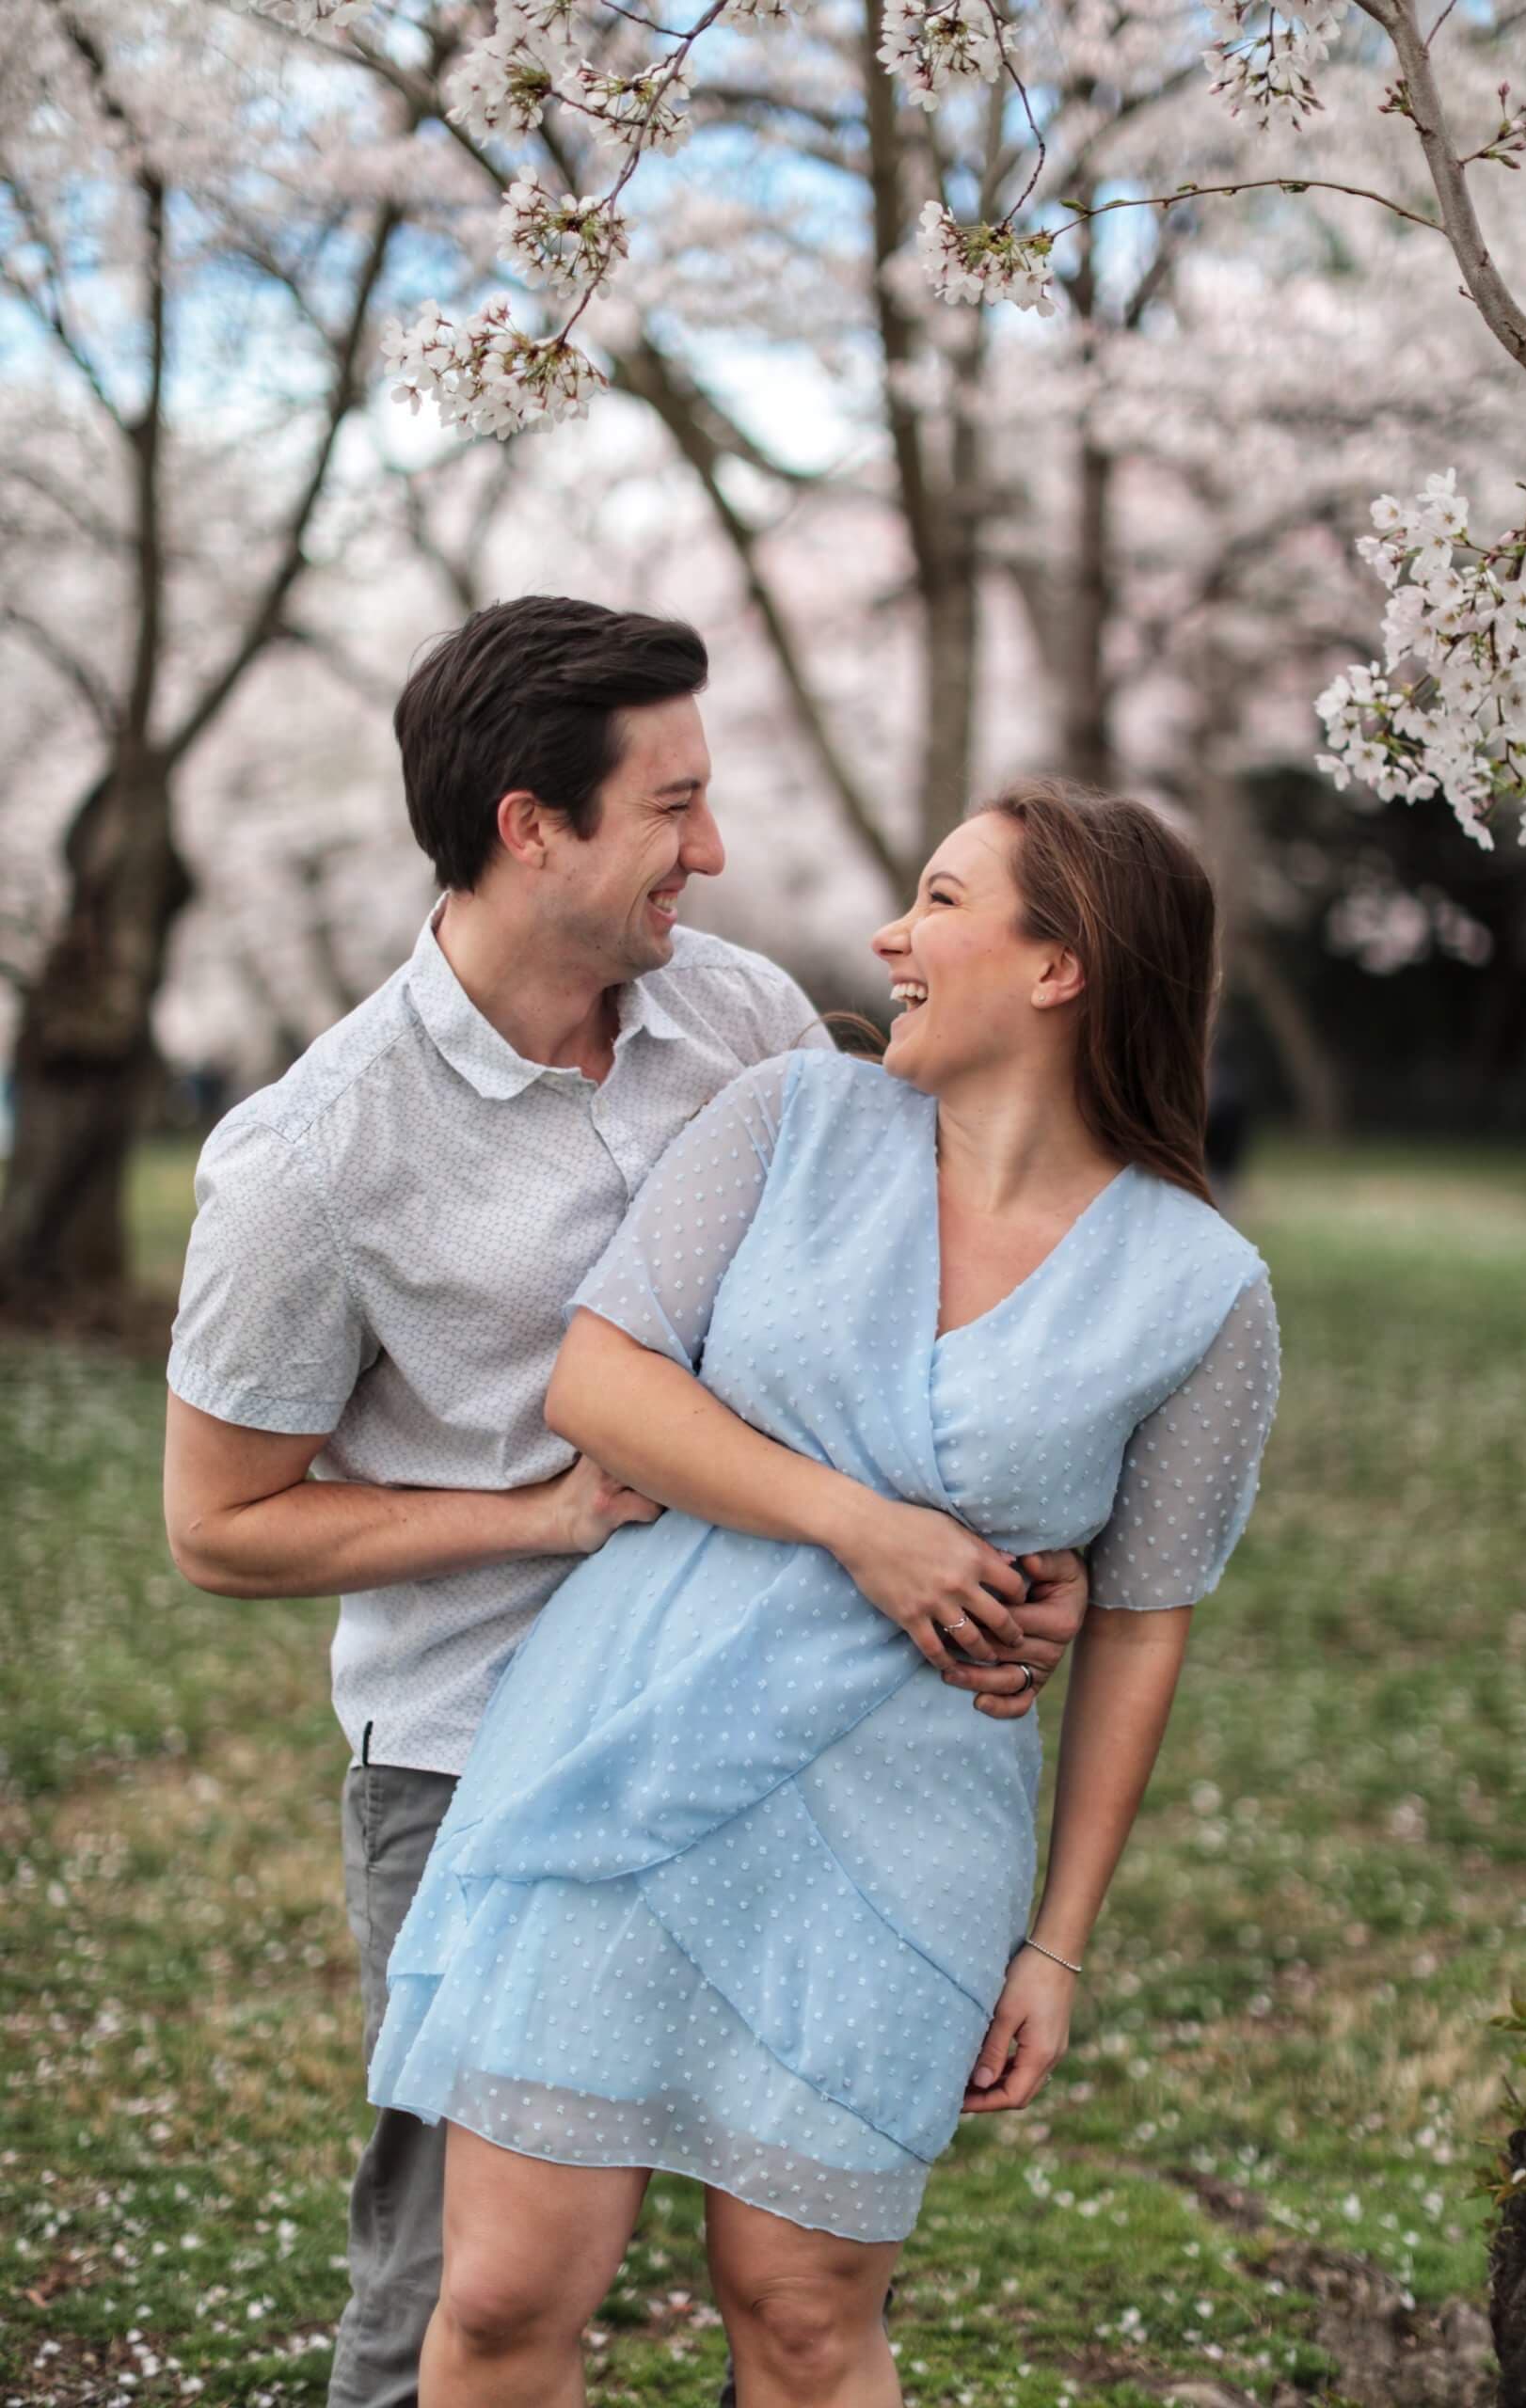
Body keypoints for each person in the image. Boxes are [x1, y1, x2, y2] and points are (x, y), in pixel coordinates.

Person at [159, 596, 1089, 2408]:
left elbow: (898, 1310)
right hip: (476, 1750)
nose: (716, 850)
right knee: (466, 2285)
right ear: (533, 825)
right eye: (673, 806)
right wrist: (539, 1515)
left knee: (792, 2267)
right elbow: (220, 1523)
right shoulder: (313, 1154)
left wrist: (1010, 1564)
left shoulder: (741, 1013)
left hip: (769, 1713)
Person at [366, 778, 1282, 2408]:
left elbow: (1143, 1621)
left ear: (1061, 965)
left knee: (799, 2318)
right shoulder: (790, 1114)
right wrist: (867, 1528)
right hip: (620, 1757)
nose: (889, 938)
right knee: (504, 2297)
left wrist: (1054, 1950)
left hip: (903, 1824)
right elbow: (602, 1381)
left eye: (938, 901)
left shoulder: (1202, 1288)